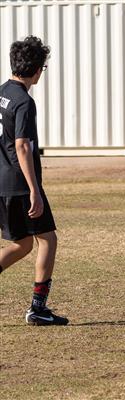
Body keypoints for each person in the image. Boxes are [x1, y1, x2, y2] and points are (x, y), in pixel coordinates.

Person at [0, 36, 68, 326]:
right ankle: (38, 308)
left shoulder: (2, 92)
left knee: (23, 244)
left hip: (2, 183)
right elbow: (22, 146)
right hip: (18, 184)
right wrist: (34, 190)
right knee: (48, 240)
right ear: (38, 69)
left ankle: (38, 307)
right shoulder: (24, 101)